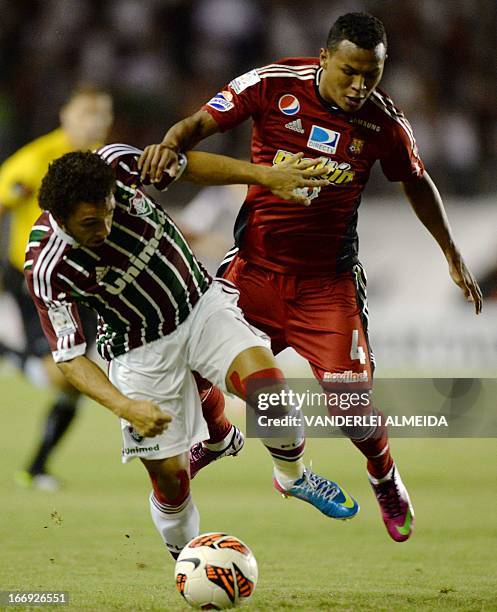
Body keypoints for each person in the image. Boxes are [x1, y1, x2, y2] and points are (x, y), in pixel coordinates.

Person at [138, 12, 483, 542]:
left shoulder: (384, 124)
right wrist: (168, 143)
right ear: (325, 58)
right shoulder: (272, 85)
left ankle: (384, 476)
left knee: (353, 412)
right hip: (253, 273)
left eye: (372, 74)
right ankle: (219, 436)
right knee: (188, 366)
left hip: (328, 286)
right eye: (349, 71)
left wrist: (451, 250)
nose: (360, 85)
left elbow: (417, 181)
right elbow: (194, 129)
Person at [24, 143, 359, 560]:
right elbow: (71, 358)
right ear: (60, 216)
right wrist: (125, 407)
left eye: (110, 210)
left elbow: (187, 167)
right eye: (91, 222)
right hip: (139, 351)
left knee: (272, 396)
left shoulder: (117, 164)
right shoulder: (47, 266)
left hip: (200, 306)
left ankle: (293, 477)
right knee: (170, 483)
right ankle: (190, 565)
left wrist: (263, 175)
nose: (106, 227)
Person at [0, 84, 114, 490]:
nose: (96, 122)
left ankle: (36, 468)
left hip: (83, 280)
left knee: (75, 380)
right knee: (67, 373)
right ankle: (11, 355)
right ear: (65, 115)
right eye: (87, 113)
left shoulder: (105, 160)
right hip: (37, 280)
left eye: (103, 114)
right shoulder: (35, 159)